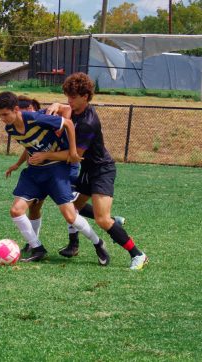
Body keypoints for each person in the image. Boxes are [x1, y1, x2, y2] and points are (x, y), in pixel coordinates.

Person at [45, 72, 148, 270]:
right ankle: (80, 242)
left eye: (73, 97)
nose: (69, 101)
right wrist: (57, 104)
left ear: (85, 96)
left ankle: (138, 254)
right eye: (68, 96)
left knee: (101, 219)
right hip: (88, 169)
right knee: (72, 207)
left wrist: (46, 156)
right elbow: (65, 108)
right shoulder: (75, 108)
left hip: (102, 170)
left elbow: (75, 155)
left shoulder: (88, 122)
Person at [0, 91, 109, 263]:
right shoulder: (10, 128)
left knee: (70, 216)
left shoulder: (35, 118)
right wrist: (18, 164)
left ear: (16, 109)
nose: (2, 119)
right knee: (16, 210)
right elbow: (31, 145)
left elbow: (68, 123)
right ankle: (37, 248)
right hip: (34, 172)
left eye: (5, 114)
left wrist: (72, 152)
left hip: (56, 170)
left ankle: (98, 243)